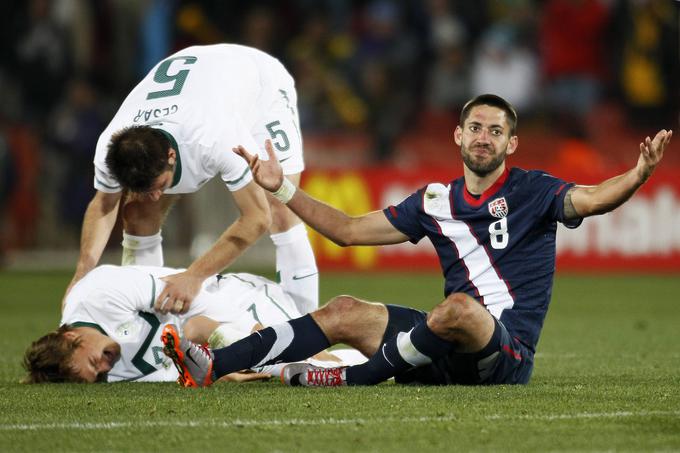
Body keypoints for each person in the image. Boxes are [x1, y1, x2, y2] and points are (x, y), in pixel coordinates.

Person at [161, 93, 672, 387]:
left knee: (460, 309)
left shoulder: (534, 190)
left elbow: (592, 198)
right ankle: (211, 366)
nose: (483, 137)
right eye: (475, 127)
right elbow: (346, 230)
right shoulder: (433, 201)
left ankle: (349, 379)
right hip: (439, 349)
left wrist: (637, 175)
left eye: (495, 131)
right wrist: (282, 188)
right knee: (342, 309)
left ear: (511, 143)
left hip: (503, 356)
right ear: (457, 135)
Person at [66, 43, 318, 317]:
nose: (154, 195)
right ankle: (151, 318)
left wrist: (193, 276)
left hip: (258, 84)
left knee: (280, 205)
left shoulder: (214, 137)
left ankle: (308, 323)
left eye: (158, 185)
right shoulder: (111, 145)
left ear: (172, 156)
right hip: (199, 82)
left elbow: (257, 218)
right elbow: (104, 205)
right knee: (138, 210)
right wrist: (82, 273)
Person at [23, 265, 358, 384]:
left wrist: (254, 338)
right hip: (219, 336)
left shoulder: (100, 292)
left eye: (93, 363)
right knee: (298, 372)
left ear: (71, 336)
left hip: (236, 298)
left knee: (312, 346)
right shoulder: (110, 373)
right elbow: (179, 367)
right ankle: (385, 358)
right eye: (97, 377)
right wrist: (228, 368)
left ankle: (399, 346)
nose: (103, 369)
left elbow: (192, 297)